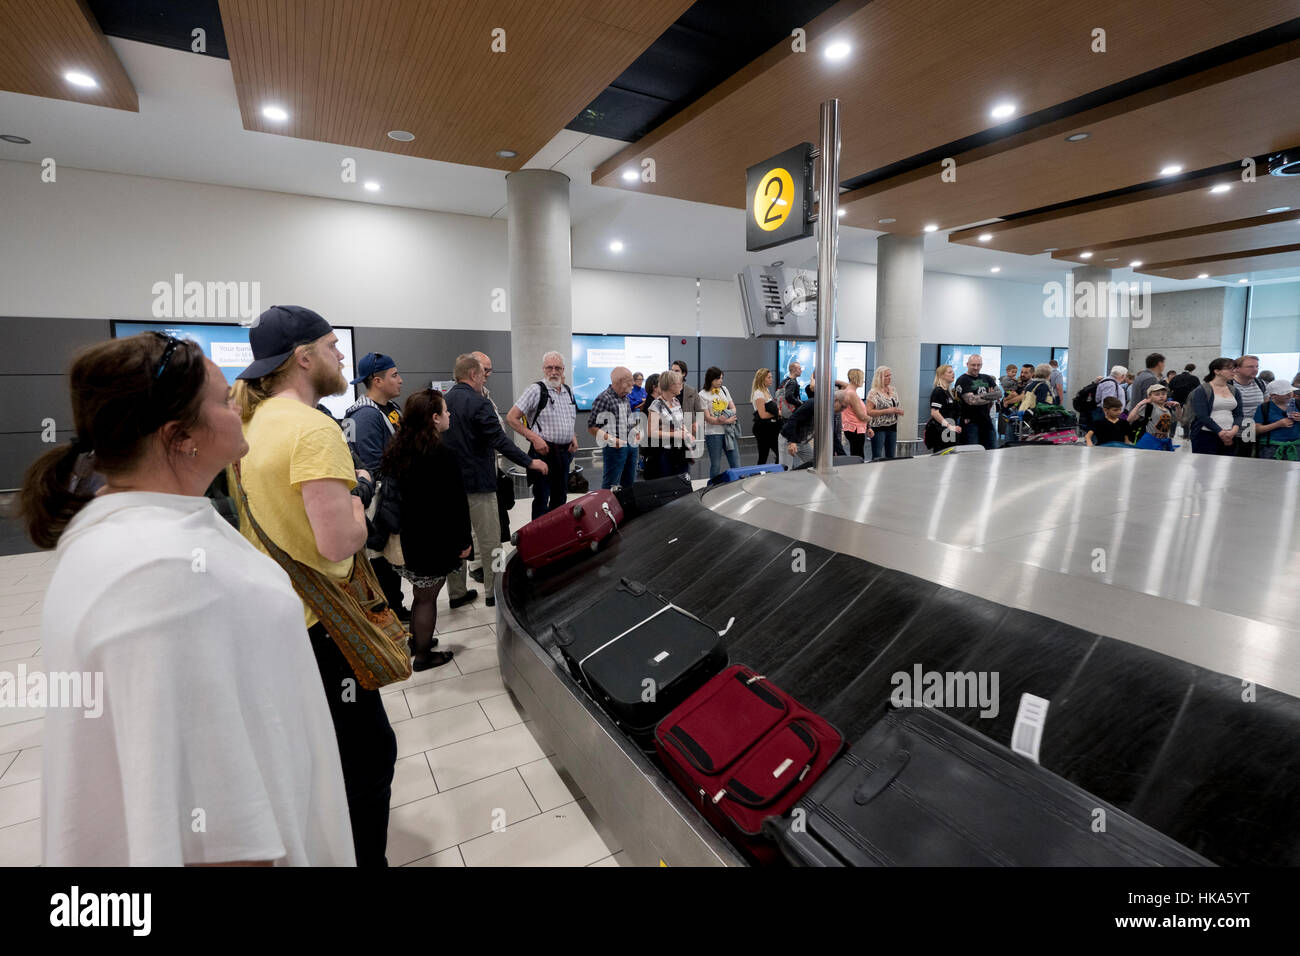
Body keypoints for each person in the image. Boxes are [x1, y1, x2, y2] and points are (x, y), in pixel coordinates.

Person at [21, 331, 353, 867]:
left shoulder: (127, 529)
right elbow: (219, 834)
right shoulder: (164, 576)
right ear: (180, 437)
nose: (239, 411)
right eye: (224, 403)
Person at [228, 305, 395, 866]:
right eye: (331, 346)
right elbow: (339, 542)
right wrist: (360, 496)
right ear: (303, 358)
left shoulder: (248, 422)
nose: (341, 355)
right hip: (323, 625)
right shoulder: (311, 427)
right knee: (370, 758)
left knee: (316, 755)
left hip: (275, 617)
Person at [444, 354, 545, 607]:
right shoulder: (480, 403)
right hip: (480, 483)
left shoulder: (443, 402)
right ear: (473, 375)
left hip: (451, 485)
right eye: (483, 373)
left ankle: (456, 593)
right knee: (491, 541)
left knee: (456, 540)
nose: (485, 378)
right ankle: (494, 592)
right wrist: (529, 461)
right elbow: (498, 440)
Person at [382, 389, 469, 671]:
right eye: (445, 411)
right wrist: (464, 541)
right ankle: (422, 656)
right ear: (434, 418)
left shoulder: (399, 450)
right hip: (436, 540)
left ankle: (418, 640)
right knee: (427, 598)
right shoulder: (443, 455)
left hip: (410, 537)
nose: (449, 415)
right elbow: (456, 504)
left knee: (420, 593)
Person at [344, 351, 408, 622]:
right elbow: (371, 466)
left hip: (394, 493)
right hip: (378, 500)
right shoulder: (365, 416)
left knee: (392, 557)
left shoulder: (391, 409)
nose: (401, 380)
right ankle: (390, 610)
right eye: (394, 375)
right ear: (376, 381)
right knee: (381, 556)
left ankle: (396, 605)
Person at [507, 351, 579, 520]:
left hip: (564, 454)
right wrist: (534, 438)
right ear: (543, 369)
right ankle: (540, 541)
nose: (553, 372)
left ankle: (558, 538)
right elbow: (511, 417)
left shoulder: (568, 390)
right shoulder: (536, 390)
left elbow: (568, 417)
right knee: (541, 499)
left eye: (557, 368)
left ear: (563, 369)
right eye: (549, 367)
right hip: (543, 454)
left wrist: (573, 436)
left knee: (560, 498)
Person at [588, 366, 639, 489]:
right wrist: (611, 440)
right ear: (620, 381)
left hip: (631, 446)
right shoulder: (603, 398)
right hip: (615, 448)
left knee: (629, 484)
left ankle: (626, 507)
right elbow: (592, 427)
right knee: (611, 485)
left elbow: (627, 421)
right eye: (629, 380)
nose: (633, 383)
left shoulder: (625, 398)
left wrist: (635, 431)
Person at [1189, 357, 1243, 456]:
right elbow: (1202, 416)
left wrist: (1234, 430)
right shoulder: (1202, 390)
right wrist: (1220, 432)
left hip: (1230, 434)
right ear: (1217, 371)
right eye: (1229, 369)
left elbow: (1239, 414)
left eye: (1234, 368)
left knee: (1226, 468)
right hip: (1205, 434)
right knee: (1205, 467)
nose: (1233, 371)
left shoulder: (1234, 390)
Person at [648, 369, 691, 477]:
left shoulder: (676, 401)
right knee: (669, 485)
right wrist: (675, 434)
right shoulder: (656, 405)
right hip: (665, 453)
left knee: (683, 483)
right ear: (671, 385)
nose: (681, 386)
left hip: (680, 450)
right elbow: (651, 432)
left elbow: (680, 423)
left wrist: (688, 436)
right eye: (679, 383)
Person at [955, 354, 1002, 449]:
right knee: (973, 452)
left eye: (978, 365)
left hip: (986, 420)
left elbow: (999, 394)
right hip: (970, 422)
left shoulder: (987, 378)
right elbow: (971, 401)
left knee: (992, 450)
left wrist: (980, 397)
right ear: (967, 364)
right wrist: (989, 397)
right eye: (973, 365)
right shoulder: (962, 380)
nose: (976, 368)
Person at [701, 366, 740, 478]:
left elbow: (733, 408)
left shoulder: (724, 389)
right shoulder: (702, 395)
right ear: (710, 379)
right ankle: (712, 488)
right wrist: (725, 420)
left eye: (721, 378)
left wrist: (725, 417)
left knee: (736, 463)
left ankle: (737, 485)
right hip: (713, 434)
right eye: (718, 379)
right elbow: (708, 418)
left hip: (728, 432)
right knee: (716, 465)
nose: (720, 381)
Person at [1255, 381, 1300, 461]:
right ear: (1273, 396)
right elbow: (1256, 429)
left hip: (1296, 447)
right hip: (1271, 448)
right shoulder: (1264, 408)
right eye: (1284, 393)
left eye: (1290, 391)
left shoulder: (1298, 404)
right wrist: (1277, 424)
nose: (1289, 394)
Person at [865, 366, 903, 459]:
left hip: (892, 426)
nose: (889, 378)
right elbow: (868, 411)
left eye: (890, 375)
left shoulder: (893, 389)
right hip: (878, 427)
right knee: (877, 455)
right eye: (886, 376)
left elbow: (894, 405)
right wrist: (886, 411)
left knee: (891, 455)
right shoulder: (873, 392)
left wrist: (897, 410)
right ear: (879, 378)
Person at [1231, 355, 1266, 457]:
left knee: (1248, 462)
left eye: (1257, 366)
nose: (1255, 370)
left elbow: (1267, 405)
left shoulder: (1261, 383)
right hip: (1232, 433)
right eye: (1250, 367)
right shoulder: (1229, 384)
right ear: (1237, 369)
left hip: (1254, 432)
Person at [1127, 383, 1179, 451]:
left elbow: (1179, 418)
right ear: (1149, 396)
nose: (1161, 396)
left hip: (1164, 441)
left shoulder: (1168, 408)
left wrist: (1178, 407)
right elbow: (1129, 419)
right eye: (1157, 394)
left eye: (1163, 394)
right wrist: (1138, 405)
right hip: (1150, 440)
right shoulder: (1148, 407)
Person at [926, 364, 962, 450]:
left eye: (953, 372)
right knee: (943, 456)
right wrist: (949, 425)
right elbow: (934, 413)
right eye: (950, 372)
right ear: (942, 375)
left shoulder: (948, 392)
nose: (953, 374)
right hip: (942, 430)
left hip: (950, 429)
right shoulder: (938, 391)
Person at [751, 368, 781, 465]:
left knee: (778, 453)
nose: (771, 379)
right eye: (769, 377)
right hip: (762, 429)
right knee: (764, 456)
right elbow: (762, 415)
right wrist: (777, 414)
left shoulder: (766, 391)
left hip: (769, 428)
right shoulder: (758, 393)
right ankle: (758, 475)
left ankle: (777, 472)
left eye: (771, 377)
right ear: (762, 379)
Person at [841, 368, 870, 459]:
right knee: (858, 456)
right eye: (862, 378)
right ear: (857, 378)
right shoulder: (852, 394)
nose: (864, 381)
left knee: (856, 454)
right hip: (855, 429)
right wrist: (872, 419)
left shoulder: (847, 391)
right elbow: (861, 416)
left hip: (852, 428)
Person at [637, 372, 662, 478]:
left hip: (653, 445)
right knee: (653, 475)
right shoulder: (651, 404)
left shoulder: (653, 401)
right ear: (655, 387)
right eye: (662, 384)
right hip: (652, 446)